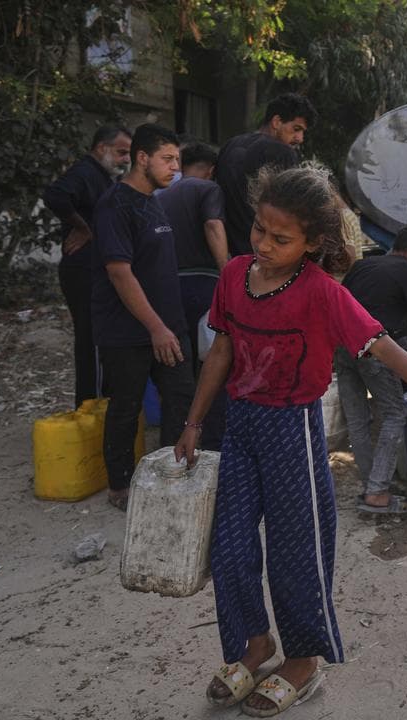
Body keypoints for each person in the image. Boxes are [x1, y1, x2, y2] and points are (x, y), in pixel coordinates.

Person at [174, 167, 407, 714]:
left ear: (314, 243)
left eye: (281, 239)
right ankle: (255, 644)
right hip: (239, 428)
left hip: (292, 430)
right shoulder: (235, 275)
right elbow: (221, 351)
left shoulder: (322, 294)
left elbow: (388, 350)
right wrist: (194, 422)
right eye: (260, 231)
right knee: (231, 549)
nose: (264, 245)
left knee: (297, 555)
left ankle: (303, 661)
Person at [90, 124, 194, 510]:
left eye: (178, 160)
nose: (175, 168)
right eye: (168, 159)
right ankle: (120, 487)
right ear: (142, 158)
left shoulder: (155, 200)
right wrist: (155, 327)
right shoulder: (116, 204)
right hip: (127, 331)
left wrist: (168, 326)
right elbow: (120, 272)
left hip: (170, 325)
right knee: (126, 406)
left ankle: (170, 474)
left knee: (181, 398)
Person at [336, 224, 407, 516]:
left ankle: (372, 484)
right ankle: (378, 492)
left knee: (357, 419)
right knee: (395, 414)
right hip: (374, 348)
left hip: (341, 346)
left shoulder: (363, 266)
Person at [42, 124, 132, 406]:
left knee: (102, 339)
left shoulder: (105, 178)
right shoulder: (84, 172)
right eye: (121, 152)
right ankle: (90, 405)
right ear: (101, 148)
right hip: (83, 270)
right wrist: (84, 228)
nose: (125, 159)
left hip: (97, 269)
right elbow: (55, 196)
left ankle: (100, 403)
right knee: (92, 341)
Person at [156, 142, 228, 449]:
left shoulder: (159, 195)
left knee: (177, 371)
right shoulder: (207, 189)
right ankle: (212, 442)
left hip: (168, 287)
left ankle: (172, 443)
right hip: (203, 284)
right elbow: (213, 224)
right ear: (212, 170)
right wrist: (228, 272)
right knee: (214, 363)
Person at [215, 93, 317, 257]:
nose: (300, 138)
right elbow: (291, 208)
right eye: (296, 129)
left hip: (231, 253)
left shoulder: (231, 144)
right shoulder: (282, 152)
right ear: (276, 122)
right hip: (266, 253)